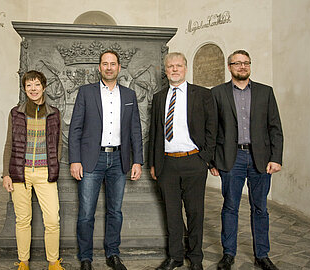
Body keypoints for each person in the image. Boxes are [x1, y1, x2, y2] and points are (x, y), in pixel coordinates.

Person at [68, 50, 143, 270]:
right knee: (86, 213)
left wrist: (137, 161)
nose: (109, 67)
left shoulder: (129, 95)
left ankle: (113, 254)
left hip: (119, 159)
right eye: (105, 64)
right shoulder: (85, 92)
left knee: (115, 212)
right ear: (99, 68)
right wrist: (75, 160)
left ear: (119, 67)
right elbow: (75, 129)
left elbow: (136, 131)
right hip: (91, 159)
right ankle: (86, 258)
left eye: (113, 64)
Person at [210, 50, 283, 270]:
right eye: (237, 63)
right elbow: (212, 130)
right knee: (230, 207)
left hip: (260, 158)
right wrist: (212, 161)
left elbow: (275, 128)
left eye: (246, 63)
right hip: (231, 159)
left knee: (260, 208)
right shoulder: (217, 93)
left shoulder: (265, 92)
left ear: (250, 65)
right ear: (229, 66)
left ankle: (262, 255)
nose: (242, 67)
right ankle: (228, 254)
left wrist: (276, 158)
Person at [148, 52, 217, 270]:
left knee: (195, 212)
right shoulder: (159, 97)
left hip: (193, 162)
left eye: (178, 66)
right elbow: (155, 133)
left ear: (185, 68)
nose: (174, 69)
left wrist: (204, 158)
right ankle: (175, 257)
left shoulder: (203, 95)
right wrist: (153, 163)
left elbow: (212, 129)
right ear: (165, 70)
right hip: (167, 164)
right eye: (170, 66)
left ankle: (196, 259)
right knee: (172, 213)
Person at [2, 70, 64, 270]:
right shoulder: (16, 113)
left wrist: (55, 164)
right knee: (22, 220)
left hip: (45, 173)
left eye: (37, 84)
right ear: (24, 89)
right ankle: (23, 262)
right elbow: (9, 145)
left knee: (53, 220)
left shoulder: (54, 113)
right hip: (21, 174)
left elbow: (58, 144)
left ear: (44, 87)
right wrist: (6, 174)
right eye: (29, 85)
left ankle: (53, 262)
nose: (33, 89)